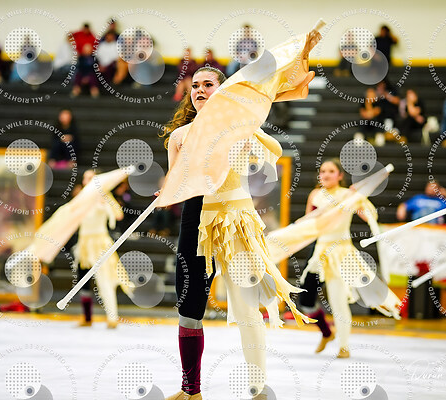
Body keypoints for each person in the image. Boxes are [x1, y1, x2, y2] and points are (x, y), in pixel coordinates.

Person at [163, 32, 321, 397]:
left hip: (236, 221)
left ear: (222, 90)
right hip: (196, 221)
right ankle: (191, 390)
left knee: (247, 306)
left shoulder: (238, 129)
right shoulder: (179, 137)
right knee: (189, 307)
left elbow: (273, 143)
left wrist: (248, 127)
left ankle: (258, 387)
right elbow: (175, 184)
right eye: (195, 86)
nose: (200, 90)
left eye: (208, 84)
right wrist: (166, 192)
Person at [299, 159, 401, 358]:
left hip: (341, 253)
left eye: (331, 171)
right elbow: (308, 226)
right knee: (305, 300)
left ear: (340, 175)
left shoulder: (348, 195)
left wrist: (359, 197)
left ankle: (344, 346)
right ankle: (326, 333)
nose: (326, 175)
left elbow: (369, 216)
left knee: (338, 301)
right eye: (323, 171)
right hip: (319, 251)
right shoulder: (315, 195)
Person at [73, 170, 132, 329]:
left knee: (104, 281)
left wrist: (104, 202)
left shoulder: (104, 195)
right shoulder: (81, 197)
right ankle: (87, 317)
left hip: (99, 243)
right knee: (83, 281)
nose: (86, 181)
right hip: (84, 244)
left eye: (90, 178)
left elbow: (118, 215)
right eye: (85, 178)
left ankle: (112, 318)